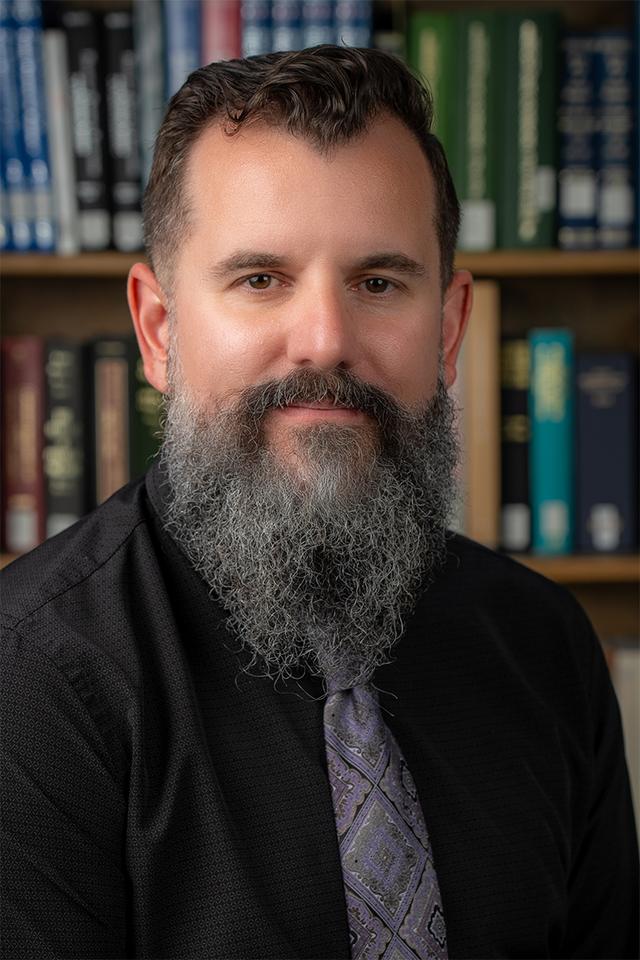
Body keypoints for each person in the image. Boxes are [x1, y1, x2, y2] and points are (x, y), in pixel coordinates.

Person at [1, 46, 637, 960]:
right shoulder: (27, 684)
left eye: (379, 283)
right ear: (158, 329)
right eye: (261, 279)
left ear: (449, 328)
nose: (326, 340)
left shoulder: (548, 647)